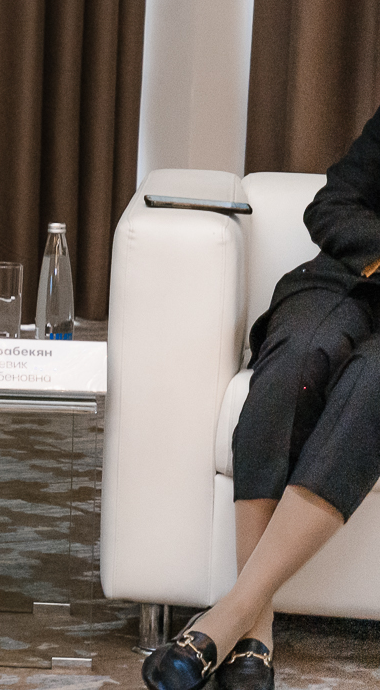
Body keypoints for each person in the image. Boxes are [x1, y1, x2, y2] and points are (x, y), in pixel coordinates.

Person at [142, 107, 380, 690]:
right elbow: (331, 205)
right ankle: (257, 622)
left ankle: (230, 620)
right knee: (294, 362)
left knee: (373, 383)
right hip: (347, 280)